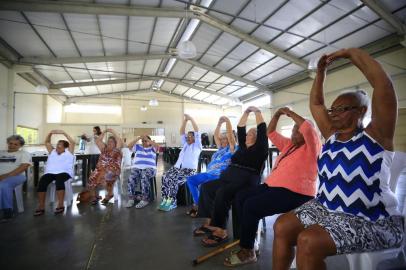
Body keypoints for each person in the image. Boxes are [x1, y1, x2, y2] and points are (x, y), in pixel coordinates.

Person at [272, 48, 404, 270]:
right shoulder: (332, 136)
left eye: (342, 109)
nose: (333, 113)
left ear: (361, 111)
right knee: (282, 225)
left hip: (370, 219)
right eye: (333, 109)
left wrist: (351, 54)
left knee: (308, 241)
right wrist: (321, 72)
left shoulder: (377, 136)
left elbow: (383, 85)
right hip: (326, 207)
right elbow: (316, 105)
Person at [223, 108, 321, 266]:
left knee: (251, 206)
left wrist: (290, 113)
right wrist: (276, 115)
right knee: (241, 196)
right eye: (293, 130)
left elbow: (308, 128)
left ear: (305, 134)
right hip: (273, 186)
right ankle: (250, 240)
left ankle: (248, 251)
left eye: (297, 130)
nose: (293, 134)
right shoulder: (290, 145)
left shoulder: (312, 147)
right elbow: (270, 133)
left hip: (296, 193)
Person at [197, 106, 269, 247]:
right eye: (247, 134)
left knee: (223, 193)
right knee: (206, 187)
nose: (246, 135)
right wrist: (246, 112)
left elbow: (262, 130)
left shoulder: (260, 148)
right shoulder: (242, 147)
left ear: (256, 137)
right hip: (229, 177)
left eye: (250, 134)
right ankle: (210, 222)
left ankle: (220, 230)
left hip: (246, 179)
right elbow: (240, 127)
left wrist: (257, 113)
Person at [186, 116, 236, 217]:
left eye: (225, 139)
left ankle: (201, 208)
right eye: (221, 139)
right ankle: (199, 204)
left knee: (204, 186)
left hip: (219, 176)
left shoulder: (232, 149)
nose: (222, 141)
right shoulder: (220, 148)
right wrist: (218, 124)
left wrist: (227, 121)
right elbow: (215, 136)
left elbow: (230, 137)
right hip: (209, 173)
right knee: (191, 180)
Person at [159, 114, 202, 212]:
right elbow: (182, 132)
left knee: (173, 180)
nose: (188, 138)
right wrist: (185, 121)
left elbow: (197, 130)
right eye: (188, 137)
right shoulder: (185, 145)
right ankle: (166, 199)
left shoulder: (197, 146)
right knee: (165, 176)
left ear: (195, 138)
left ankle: (172, 202)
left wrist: (191, 119)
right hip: (178, 168)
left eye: (191, 136)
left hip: (189, 171)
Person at [34, 130, 75, 216]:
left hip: (64, 173)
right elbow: (47, 142)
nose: (57, 146)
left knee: (59, 180)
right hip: (50, 173)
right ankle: (41, 206)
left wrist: (64, 133)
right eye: (57, 144)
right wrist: (50, 133)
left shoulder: (68, 153)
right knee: (42, 181)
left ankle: (60, 204)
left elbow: (72, 142)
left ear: (65, 147)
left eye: (60, 145)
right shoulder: (52, 152)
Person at [88, 128, 123, 205]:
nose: (109, 143)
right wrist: (104, 132)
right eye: (108, 141)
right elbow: (97, 141)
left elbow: (119, 140)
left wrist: (112, 131)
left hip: (113, 169)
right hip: (100, 169)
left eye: (112, 141)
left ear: (115, 143)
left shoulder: (117, 150)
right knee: (91, 177)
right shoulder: (104, 149)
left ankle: (109, 194)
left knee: (106, 176)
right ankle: (94, 196)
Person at [0, 135, 31, 221]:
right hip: (1, 176)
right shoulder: (1, 152)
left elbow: (24, 166)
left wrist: (5, 176)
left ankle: (8, 211)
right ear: (7, 143)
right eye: (10, 143)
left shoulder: (23, 154)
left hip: (17, 176)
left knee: (4, 184)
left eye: (15, 144)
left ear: (20, 146)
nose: (12, 145)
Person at [126, 135, 160, 209]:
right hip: (137, 168)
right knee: (131, 177)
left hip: (150, 168)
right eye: (143, 141)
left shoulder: (153, 148)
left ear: (149, 141)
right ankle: (131, 198)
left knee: (144, 176)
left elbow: (158, 146)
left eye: (146, 141)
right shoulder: (138, 147)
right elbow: (129, 146)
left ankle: (145, 199)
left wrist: (148, 139)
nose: (144, 142)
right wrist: (139, 138)